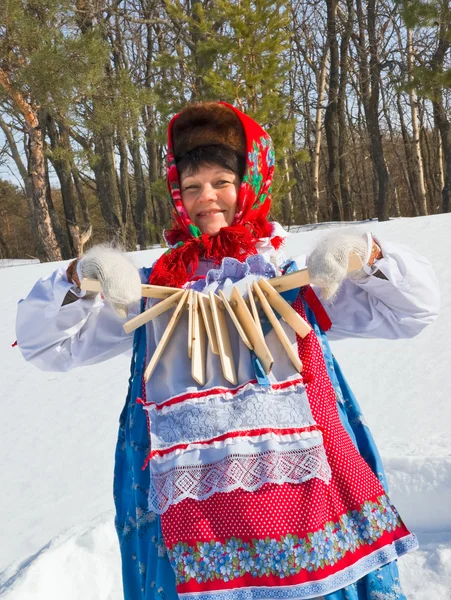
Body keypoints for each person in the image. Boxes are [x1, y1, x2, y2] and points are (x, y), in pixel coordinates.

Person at [16, 102, 440, 600]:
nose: (206, 199)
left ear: (250, 183)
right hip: (187, 516)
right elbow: (47, 346)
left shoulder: (291, 279)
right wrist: (80, 279)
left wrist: (365, 252)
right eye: (192, 187)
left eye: (221, 182)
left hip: (311, 507)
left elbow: (415, 311)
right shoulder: (151, 292)